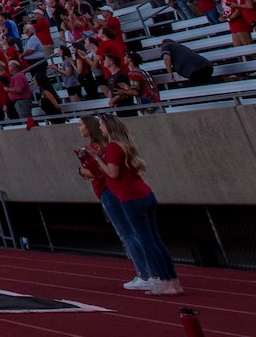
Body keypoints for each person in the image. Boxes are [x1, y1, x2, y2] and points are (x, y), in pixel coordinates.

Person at [77, 115, 180, 295]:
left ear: (108, 127)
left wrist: (96, 159)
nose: (101, 129)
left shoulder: (113, 146)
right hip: (143, 193)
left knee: (146, 241)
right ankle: (173, 282)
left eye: (102, 125)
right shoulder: (125, 144)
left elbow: (112, 173)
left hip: (130, 197)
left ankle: (163, 283)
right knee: (155, 240)